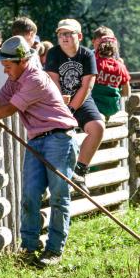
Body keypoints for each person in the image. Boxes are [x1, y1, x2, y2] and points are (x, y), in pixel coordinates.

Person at [0, 35, 79, 267]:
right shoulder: (15, 79)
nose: (6, 71)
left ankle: (54, 250)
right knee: (29, 194)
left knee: (59, 195)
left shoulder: (35, 78)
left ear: (22, 62)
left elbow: (8, 108)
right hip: (37, 139)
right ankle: (28, 247)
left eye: (8, 66)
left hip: (59, 138)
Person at [45, 18, 105, 192]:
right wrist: (62, 107)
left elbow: (87, 86)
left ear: (79, 35)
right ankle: (55, 177)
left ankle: (80, 170)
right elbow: (53, 81)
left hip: (81, 100)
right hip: (58, 101)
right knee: (57, 135)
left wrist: (71, 108)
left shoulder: (87, 54)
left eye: (68, 34)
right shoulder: (54, 53)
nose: (64, 37)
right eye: (61, 34)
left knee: (98, 127)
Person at [0, 16, 43, 92]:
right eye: (34, 37)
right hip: (22, 99)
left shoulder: (0, 55)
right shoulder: (31, 56)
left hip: (2, 97)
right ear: (31, 34)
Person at [91, 36, 131, 118]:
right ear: (115, 50)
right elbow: (127, 92)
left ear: (99, 48)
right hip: (113, 108)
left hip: (95, 107)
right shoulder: (121, 67)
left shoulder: (94, 63)